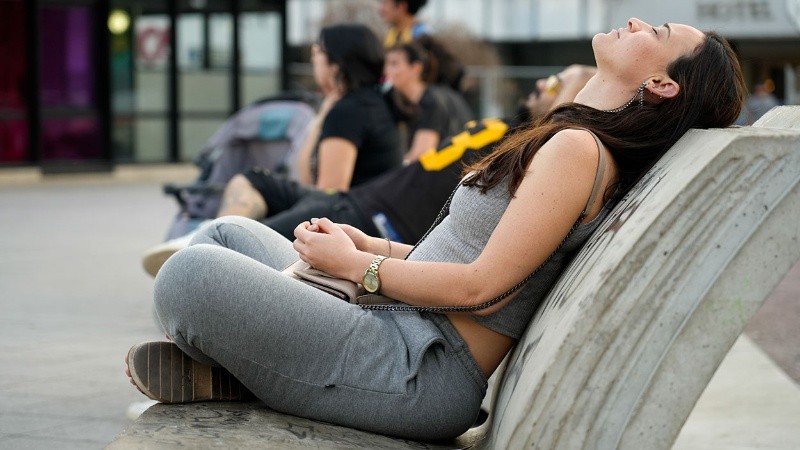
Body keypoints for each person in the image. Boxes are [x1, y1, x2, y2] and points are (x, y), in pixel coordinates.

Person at [126, 18, 745, 441]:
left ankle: (245, 373)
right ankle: (249, 374)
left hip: (417, 368)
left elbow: (482, 288)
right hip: (398, 323)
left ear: (662, 84)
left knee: (191, 275)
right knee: (225, 236)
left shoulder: (579, 152)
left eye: (657, 33)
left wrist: (356, 267)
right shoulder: (574, 139)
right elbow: (467, 255)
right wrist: (371, 247)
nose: (637, 22)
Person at [141, 65, 595, 277]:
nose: (544, 81)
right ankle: (197, 244)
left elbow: (476, 279)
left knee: (227, 249)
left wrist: (368, 261)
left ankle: (198, 253)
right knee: (250, 188)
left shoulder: (539, 153)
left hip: (372, 220)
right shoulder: (501, 127)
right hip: (358, 204)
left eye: (558, 82)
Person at [295, 23, 402, 192]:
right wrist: (322, 114)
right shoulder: (370, 101)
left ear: (336, 64)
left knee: (258, 181)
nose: (312, 59)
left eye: (318, 52)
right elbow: (306, 178)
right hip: (368, 205)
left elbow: (329, 194)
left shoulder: (349, 112)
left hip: (352, 208)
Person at [384, 39, 474, 163]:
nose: (386, 70)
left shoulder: (431, 101)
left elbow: (419, 157)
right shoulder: (420, 99)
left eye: (394, 64)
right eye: (386, 64)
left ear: (415, 68)